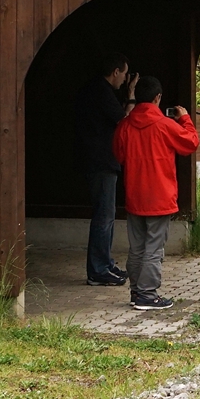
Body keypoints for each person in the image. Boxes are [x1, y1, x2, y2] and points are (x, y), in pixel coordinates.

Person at [113, 76, 199, 310]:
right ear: (158, 98)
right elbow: (190, 143)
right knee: (154, 248)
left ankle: (136, 291)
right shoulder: (165, 125)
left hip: (134, 196)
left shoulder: (125, 126)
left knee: (137, 247)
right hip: (160, 197)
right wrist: (185, 120)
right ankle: (148, 295)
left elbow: (119, 155)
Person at [74, 52, 138, 287]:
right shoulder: (101, 91)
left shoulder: (96, 90)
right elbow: (125, 122)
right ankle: (98, 270)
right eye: (124, 74)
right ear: (115, 72)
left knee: (106, 216)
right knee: (104, 217)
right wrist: (131, 95)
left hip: (97, 160)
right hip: (101, 162)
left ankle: (105, 264)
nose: (124, 79)